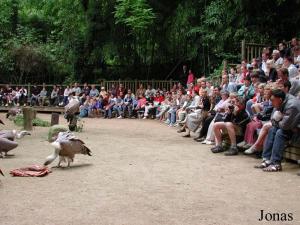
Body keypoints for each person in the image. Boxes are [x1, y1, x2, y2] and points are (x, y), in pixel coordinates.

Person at [255, 89, 300, 172]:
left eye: (272, 100)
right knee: (272, 129)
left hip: (296, 130)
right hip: (289, 127)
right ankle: (267, 159)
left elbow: (285, 126)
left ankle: (276, 164)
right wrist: (278, 120)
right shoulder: (278, 101)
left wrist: (277, 120)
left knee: (280, 132)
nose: (271, 103)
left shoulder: (291, 105)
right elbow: (273, 120)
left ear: (279, 99)